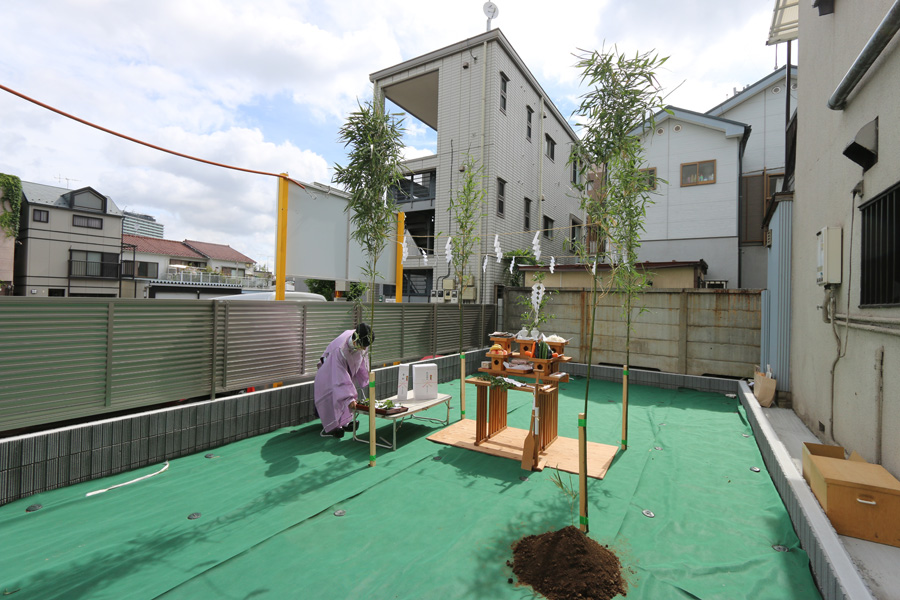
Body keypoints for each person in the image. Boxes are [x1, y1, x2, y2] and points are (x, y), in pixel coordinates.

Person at [314, 323, 374, 438]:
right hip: (330, 371)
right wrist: (349, 397)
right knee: (335, 395)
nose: (364, 349)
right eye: (363, 346)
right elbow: (340, 376)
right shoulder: (340, 350)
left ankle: (345, 422)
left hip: (345, 372)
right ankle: (334, 426)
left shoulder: (361, 340)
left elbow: (363, 360)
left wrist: (366, 377)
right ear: (356, 339)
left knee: (346, 391)